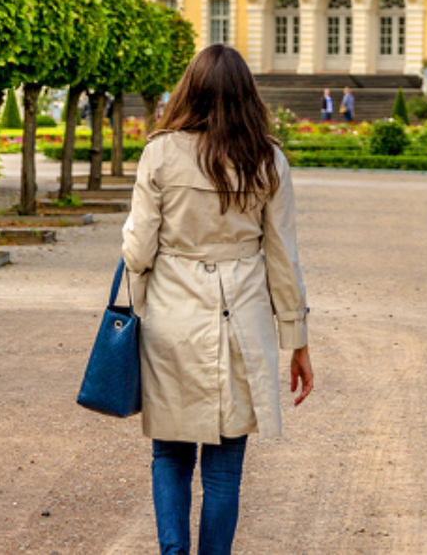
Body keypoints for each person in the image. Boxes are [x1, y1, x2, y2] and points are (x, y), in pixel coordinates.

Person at [123, 45, 314, 555]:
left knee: (170, 456)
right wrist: (297, 340)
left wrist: (135, 312)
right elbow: (283, 258)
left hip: (172, 315)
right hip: (243, 317)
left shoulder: (160, 152)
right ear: (247, 95)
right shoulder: (268, 158)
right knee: (225, 471)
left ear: (191, 89)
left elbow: (138, 249)